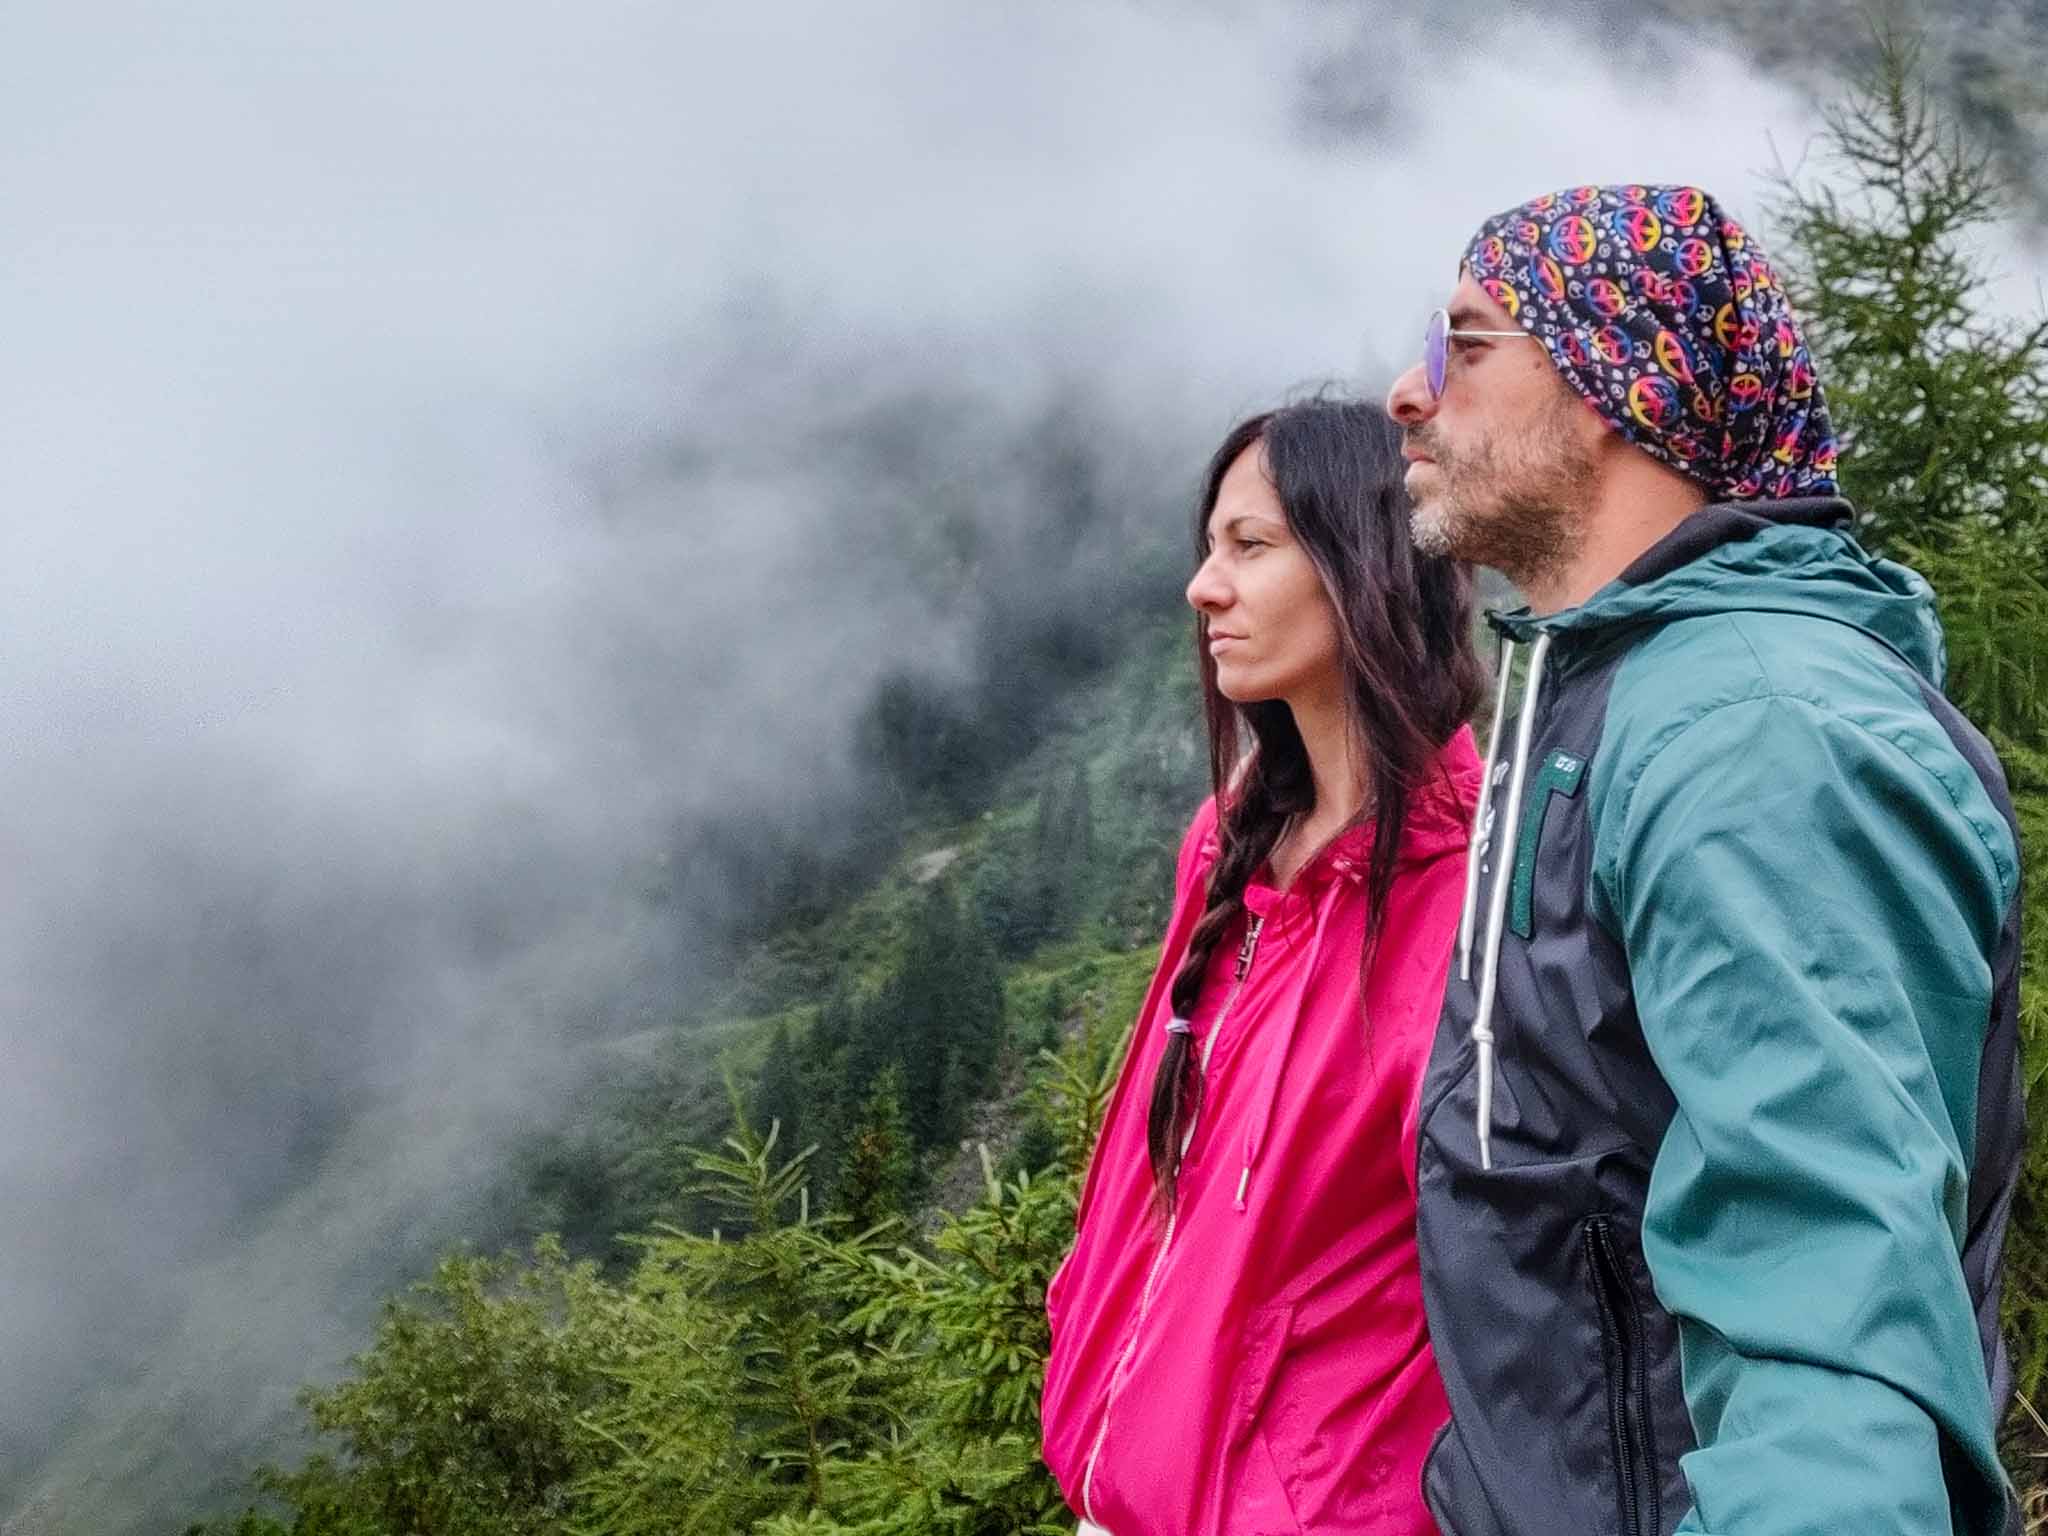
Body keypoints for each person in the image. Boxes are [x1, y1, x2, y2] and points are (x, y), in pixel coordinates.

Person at [1385, 182, 2025, 1536]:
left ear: (1613, 381)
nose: (1407, 390)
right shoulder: (1607, 698)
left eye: (1467, 344)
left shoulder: (1750, 733)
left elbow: (1829, 1333)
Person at [1040, 395, 1486, 1535]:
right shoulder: (1228, 844)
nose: (1203, 587)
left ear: (1365, 566)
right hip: (1127, 1489)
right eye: (1208, 548)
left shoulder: (1475, 891)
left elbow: (1488, 1288)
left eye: (1249, 546)